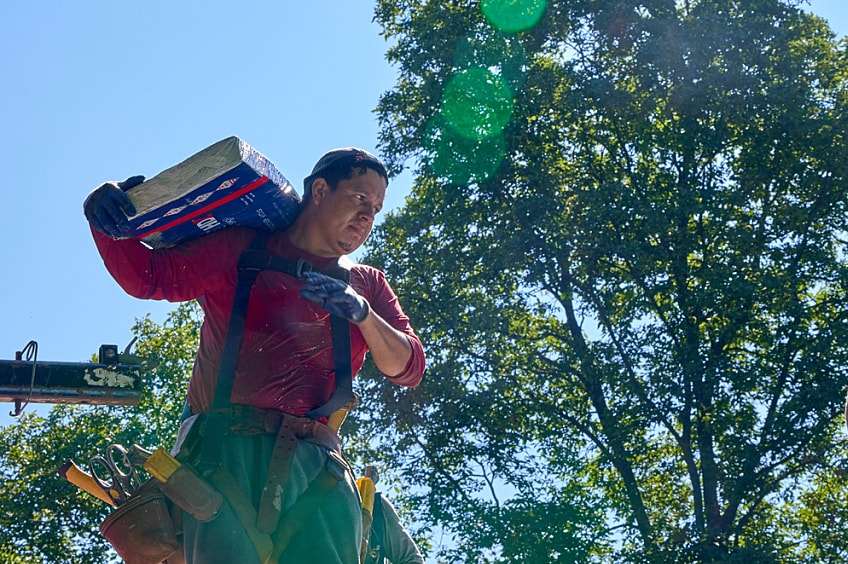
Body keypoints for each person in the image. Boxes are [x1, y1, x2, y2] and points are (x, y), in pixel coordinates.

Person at [83, 147, 426, 564]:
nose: (367, 217)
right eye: (358, 199)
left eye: (375, 208)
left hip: (317, 469)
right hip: (223, 454)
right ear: (319, 190)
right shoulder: (241, 250)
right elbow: (150, 277)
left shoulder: (367, 284)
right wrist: (106, 219)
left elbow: (407, 368)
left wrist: (363, 314)